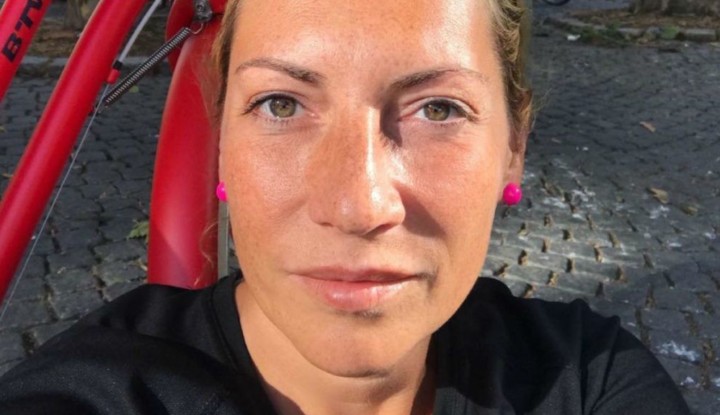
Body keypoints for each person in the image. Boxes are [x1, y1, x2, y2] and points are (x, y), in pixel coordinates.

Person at [0, 0, 691, 414]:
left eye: (438, 109)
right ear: (222, 144)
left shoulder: (588, 379)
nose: (358, 206)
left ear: (514, 146)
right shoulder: (94, 391)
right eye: (281, 104)